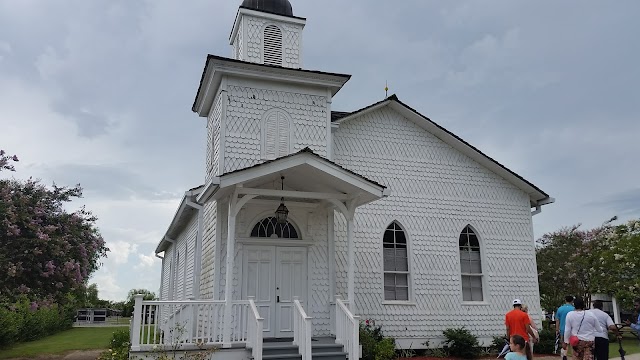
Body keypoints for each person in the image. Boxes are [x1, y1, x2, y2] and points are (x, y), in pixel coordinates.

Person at [557, 295, 575, 360]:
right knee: (573, 345)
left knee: (564, 344)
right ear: (572, 301)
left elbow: (557, 320)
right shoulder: (574, 309)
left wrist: (557, 329)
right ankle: (573, 357)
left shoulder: (560, 309)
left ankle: (564, 355)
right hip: (572, 330)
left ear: (565, 300)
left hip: (562, 329)